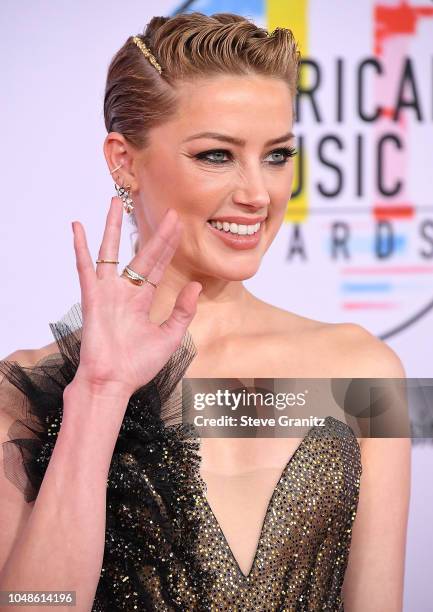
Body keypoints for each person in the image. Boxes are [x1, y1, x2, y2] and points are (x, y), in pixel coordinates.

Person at [0, 11, 411, 612]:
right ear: (125, 161)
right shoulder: (29, 389)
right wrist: (99, 393)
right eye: (217, 155)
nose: (258, 192)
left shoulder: (362, 369)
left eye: (277, 155)